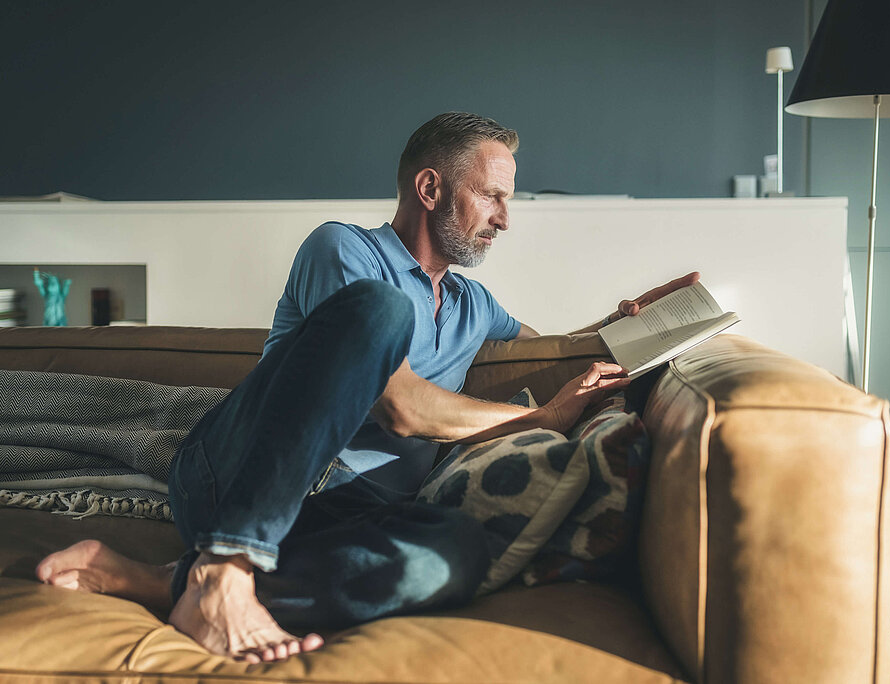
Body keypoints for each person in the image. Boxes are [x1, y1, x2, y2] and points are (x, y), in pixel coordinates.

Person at [35, 112, 700, 664]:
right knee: (381, 310)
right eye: (492, 195)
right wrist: (539, 421)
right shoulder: (343, 251)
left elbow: (558, 355)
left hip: (345, 519)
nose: (505, 219)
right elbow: (402, 407)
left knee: (455, 555)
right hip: (240, 481)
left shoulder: (474, 305)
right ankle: (225, 567)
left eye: (509, 200)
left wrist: (626, 324)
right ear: (431, 187)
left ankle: (158, 581)